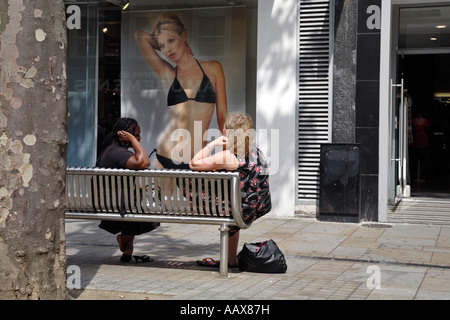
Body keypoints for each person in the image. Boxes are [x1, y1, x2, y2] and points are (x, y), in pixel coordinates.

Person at [135, 12, 227, 169]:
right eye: (162, 46)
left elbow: (222, 116)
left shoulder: (213, 68)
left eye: (171, 40)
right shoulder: (168, 74)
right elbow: (140, 36)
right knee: (160, 195)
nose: (168, 49)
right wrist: (162, 38)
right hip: (166, 156)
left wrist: (226, 153)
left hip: (197, 160)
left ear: (184, 36)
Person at [189, 112, 271, 268]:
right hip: (257, 206)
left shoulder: (229, 157)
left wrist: (212, 144)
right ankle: (231, 260)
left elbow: (194, 163)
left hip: (238, 209)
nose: (222, 130)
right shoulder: (256, 150)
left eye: (225, 127)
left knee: (190, 184)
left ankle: (193, 209)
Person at [95, 118, 158, 262]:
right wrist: (133, 141)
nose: (139, 137)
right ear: (124, 135)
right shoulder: (117, 152)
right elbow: (144, 162)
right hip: (113, 203)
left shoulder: (111, 150)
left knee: (135, 200)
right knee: (139, 205)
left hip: (109, 200)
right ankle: (126, 242)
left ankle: (127, 246)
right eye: (137, 134)